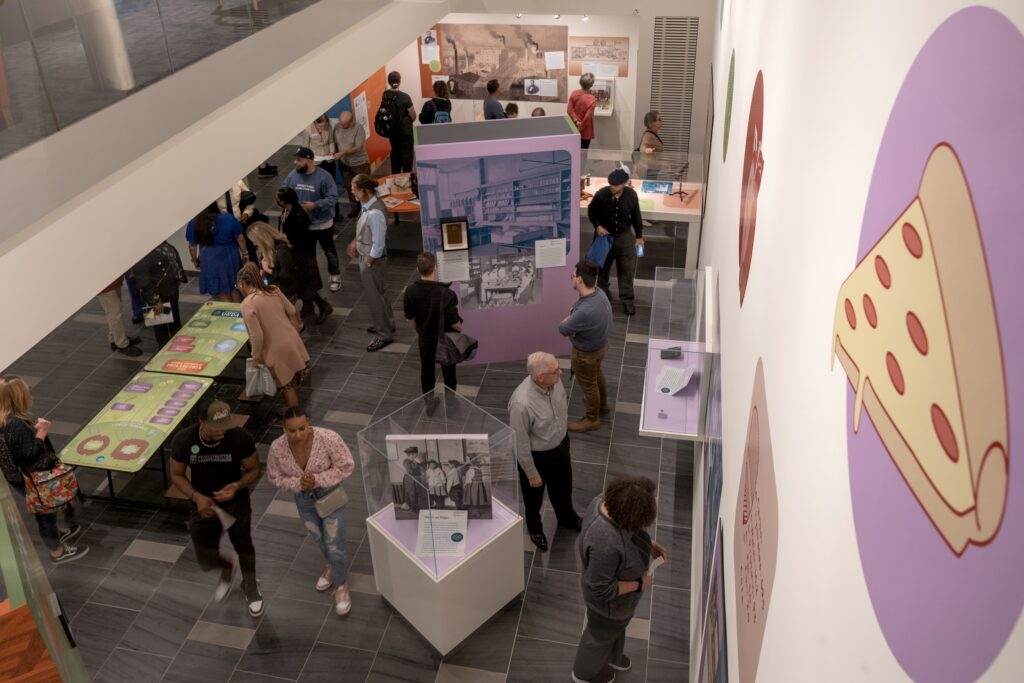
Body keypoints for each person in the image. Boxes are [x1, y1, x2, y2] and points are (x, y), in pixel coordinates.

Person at [170, 400, 264, 618]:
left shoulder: (239, 437)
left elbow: (254, 470)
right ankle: (227, 568)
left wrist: (237, 485)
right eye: (217, 427)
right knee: (204, 558)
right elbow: (176, 474)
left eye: (226, 425)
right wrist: (196, 497)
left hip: (235, 502)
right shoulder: (184, 440)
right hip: (203, 504)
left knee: (244, 546)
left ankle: (250, 587)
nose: (223, 431)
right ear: (202, 423)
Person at [572, 477, 667, 683]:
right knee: (597, 638)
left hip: (619, 607)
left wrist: (646, 543)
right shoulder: (605, 543)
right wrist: (640, 584)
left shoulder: (604, 501)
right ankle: (584, 673)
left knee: (612, 631)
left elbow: (627, 531)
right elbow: (600, 590)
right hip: (607, 608)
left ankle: (611, 657)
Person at [267, 407, 355, 616]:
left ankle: (341, 586)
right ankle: (333, 567)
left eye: (302, 428)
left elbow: (346, 465)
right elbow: (274, 476)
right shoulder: (277, 448)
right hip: (303, 499)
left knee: (334, 542)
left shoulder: (328, 438)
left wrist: (318, 480)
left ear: (309, 423)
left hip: (329, 494)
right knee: (319, 538)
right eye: (291, 431)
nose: (298, 435)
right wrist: (298, 483)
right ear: (284, 429)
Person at [0, 377, 89, 564]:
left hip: (22, 478)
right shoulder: (14, 424)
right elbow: (28, 456)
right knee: (45, 513)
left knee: (47, 509)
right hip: (34, 479)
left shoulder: (7, 420)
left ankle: (55, 535)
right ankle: (57, 552)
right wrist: (41, 433)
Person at [508, 352, 581, 551]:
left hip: (561, 445)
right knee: (534, 499)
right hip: (538, 457)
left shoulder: (555, 383)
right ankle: (535, 529)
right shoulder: (521, 404)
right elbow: (520, 442)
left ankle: (566, 517)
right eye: (555, 370)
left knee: (564, 487)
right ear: (540, 377)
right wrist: (531, 473)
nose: (560, 372)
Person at [237, 263, 309, 409]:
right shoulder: (274, 290)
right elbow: (290, 309)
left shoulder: (247, 304)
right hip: (292, 340)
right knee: (291, 375)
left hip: (275, 349)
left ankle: (294, 415)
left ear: (243, 283)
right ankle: (292, 409)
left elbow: (257, 336)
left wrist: (255, 358)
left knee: (285, 385)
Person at [559, 262, 612, 433]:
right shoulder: (599, 293)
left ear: (580, 279)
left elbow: (563, 328)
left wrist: (569, 319)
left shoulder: (584, 311)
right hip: (600, 347)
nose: (571, 278)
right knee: (596, 375)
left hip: (586, 354)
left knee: (589, 385)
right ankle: (602, 405)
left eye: (572, 276)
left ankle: (591, 418)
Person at [403, 252, 463, 396]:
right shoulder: (447, 294)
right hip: (446, 339)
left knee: (427, 369)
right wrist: (461, 327)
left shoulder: (410, 291)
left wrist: (419, 331)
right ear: (435, 268)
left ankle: (429, 402)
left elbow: (409, 318)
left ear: (418, 269)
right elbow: (455, 324)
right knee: (449, 372)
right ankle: (450, 400)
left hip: (425, 338)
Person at [282, 146, 341, 292]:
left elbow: (333, 197)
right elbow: (284, 190)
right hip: (303, 226)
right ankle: (312, 280)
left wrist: (315, 205)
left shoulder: (324, 177)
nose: (295, 163)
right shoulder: (292, 175)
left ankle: (335, 276)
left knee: (329, 251)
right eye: (295, 159)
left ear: (309, 160)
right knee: (309, 254)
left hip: (322, 223)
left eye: (299, 160)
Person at [347, 174, 395, 352]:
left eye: (354, 190)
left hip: (372, 261)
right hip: (370, 257)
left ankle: (384, 334)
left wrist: (368, 262)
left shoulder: (375, 213)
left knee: (374, 297)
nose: (352, 193)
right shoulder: (367, 204)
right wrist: (355, 241)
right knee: (381, 293)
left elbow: (379, 243)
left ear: (365, 191)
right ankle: (388, 323)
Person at [587, 169, 644, 315]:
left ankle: (627, 300)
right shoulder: (601, 194)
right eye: (611, 184)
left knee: (626, 270)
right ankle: (603, 297)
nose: (613, 187)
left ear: (624, 184)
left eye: (616, 185)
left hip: (625, 237)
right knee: (603, 269)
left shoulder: (631, 195)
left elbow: (636, 216)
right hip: (604, 237)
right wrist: (597, 226)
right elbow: (591, 211)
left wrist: (639, 236)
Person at [276, 187, 331, 324]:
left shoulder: (298, 215)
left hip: (303, 255)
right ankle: (308, 307)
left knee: (307, 285)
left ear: (284, 201)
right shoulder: (286, 211)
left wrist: (287, 242)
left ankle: (324, 306)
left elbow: (302, 237)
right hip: (294, 253)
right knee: (301, 284)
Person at [186, 202, 247, 303]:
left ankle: (229, 316)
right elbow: (240, 238)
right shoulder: (228, 218)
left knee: (222, 291)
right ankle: (239, 314)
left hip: (209, 258)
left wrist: (195, 260)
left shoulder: (194, 223)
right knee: (235, 288)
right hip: (230, 255)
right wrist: (245, 253)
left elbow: (192, 246)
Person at [131, 241, 187, 346]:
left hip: (171, 289)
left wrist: (179, 278)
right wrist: (155, 301)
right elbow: (143, 281)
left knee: (174, 318)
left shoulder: (165, 245)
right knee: (160, 326)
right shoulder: (141, 254)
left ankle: (178, 342)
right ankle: (163, 349)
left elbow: (174, 261)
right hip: (155, 294)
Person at [332, 111, 371, 219]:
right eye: (340, 122)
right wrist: (333, 152)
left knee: (363, 187)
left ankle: (366, 208)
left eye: (344, 123)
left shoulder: (358, 129)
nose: (342, 125)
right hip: (344, 163)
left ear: (351, 122)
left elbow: (358, 147)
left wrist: (343, 153)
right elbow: (335, 142)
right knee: (349, 186)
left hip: (359, 163)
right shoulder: (337, 126)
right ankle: (355, 209)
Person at [246, 222, 298, 302]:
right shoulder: (266, 248)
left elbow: (288, 276)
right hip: (273, 289)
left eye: (255, 240)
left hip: (284, 292)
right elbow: (262, 267)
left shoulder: (282, 251)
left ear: (262, 238)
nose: (254, 243)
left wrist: (268, 270)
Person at [98, 276, 142, 357]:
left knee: (113, 313)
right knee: (115, 314)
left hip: (113, 281)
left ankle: (114, 338)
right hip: (104, 284)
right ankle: (122, 344)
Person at [384, 71, 416, 173]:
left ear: (389, 82)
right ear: (399, 81)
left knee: (395, 151)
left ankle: (395, 177)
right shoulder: (405, 97)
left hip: (392, 130)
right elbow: (413, 115)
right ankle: (407, 177)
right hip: (405, 130)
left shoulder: (385, 95)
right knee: (407, 153)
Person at [303, 114, 338, 181]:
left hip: (328, 159)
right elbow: (305, 146)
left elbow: (331, 141)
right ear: (315, 123)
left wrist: (332, 151)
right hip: (316, 161)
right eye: (321, 126)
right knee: (318, 180)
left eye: (325, 125)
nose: (324, 128)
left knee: (331, 179)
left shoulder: (329, 127)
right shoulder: (307, 129)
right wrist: (309, 158)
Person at [568, 73, 598, 149]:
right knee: (584, 153)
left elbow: (569, 110)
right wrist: (581, 127)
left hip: (574, 127)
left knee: (574, 151)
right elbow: (587, 117)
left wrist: (576, 121)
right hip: (585, 130)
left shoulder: (574, 93)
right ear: (591, 85)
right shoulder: (592, 99)